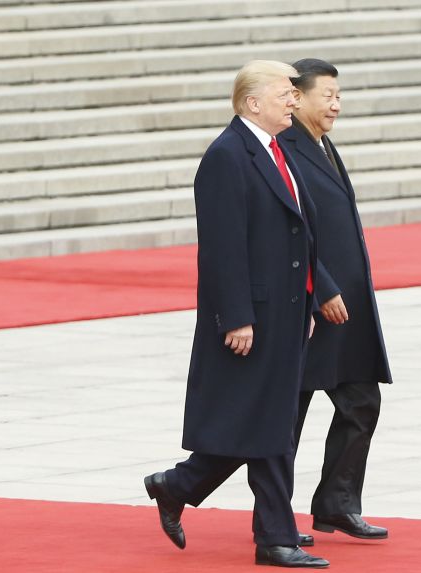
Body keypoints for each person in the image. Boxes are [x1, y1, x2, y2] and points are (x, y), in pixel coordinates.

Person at [143, 60, 329, 569]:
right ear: (252, 103)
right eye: (284, 93)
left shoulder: (275, 150)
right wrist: (237, 317)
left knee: (268, 422)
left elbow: (299, 236)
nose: (294, 101)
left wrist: (310, 298)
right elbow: (222, 248)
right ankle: (271, 535)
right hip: (255, 318)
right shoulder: (228, 156)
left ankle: (184, 488)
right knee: (265, 424)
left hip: (288, 312)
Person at [279, 58, 393, 540]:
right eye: (327, 95)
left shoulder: (320, 144)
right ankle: (273, 514)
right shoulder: (282, 148)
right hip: (311, 304)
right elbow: (288, 230)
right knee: (290, 413)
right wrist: (320, 286)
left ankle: (336, 502)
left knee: (361, 400)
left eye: (338, 96)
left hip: (348, 308)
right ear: (297, 97)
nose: (336, 105)